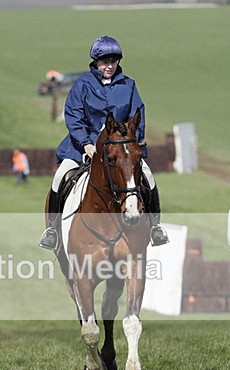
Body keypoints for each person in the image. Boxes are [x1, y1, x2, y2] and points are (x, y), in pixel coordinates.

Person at [38, 36, 169, 251]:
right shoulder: (82, 85)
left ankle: (155, 226)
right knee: (61, 175)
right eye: (104, 61)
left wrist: (132, 142)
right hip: (83, 146)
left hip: (120, 147)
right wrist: (87, 144)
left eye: (113, 61)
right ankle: (52, 229)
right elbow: (73, 116)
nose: (109, 66)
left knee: (148, 177)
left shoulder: (128, 85)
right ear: (96, 62)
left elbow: (138, 115)